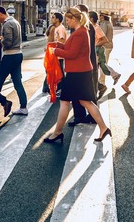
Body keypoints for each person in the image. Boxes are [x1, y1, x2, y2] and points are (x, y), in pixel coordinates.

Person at [43, 7, 111, 143]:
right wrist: (57, 45)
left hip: (77, 73)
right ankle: (103, 128)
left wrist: (56, 51)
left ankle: (57, 133)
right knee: (85, 101)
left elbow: (72, 54)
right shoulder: (80, 31)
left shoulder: (80, 33)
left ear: (74, 19)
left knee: (64, 101)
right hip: (80, 72)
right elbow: (70, 48)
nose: (67, 22)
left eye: (68, 20)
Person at [0, 6, 28, 115]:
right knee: (17, 82)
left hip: (10, 56)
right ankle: (23, 107)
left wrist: (0, 40)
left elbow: (8, 42)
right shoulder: (15, 22)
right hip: (18, 54)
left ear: (0, 14)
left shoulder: (7, 24)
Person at [88, 11, 110, 99]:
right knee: (91, 74)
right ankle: (100, 87)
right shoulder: (91, 27)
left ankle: (100, 88)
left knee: (92, 74)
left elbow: (105, 40)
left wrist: (94, 46)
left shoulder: (96, 28)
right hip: (91, 53)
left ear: (91, 19)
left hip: (95, 53)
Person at [99, 10, 121, 84]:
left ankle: (102, 81)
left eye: (100, 15)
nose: (99, 17)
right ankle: (113, 76)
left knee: (103, 64)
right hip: (109, 46)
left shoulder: (104, 24)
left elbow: (102, 36)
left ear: (102, 16)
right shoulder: (109, 23)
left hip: (104, 46)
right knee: (103, 63)